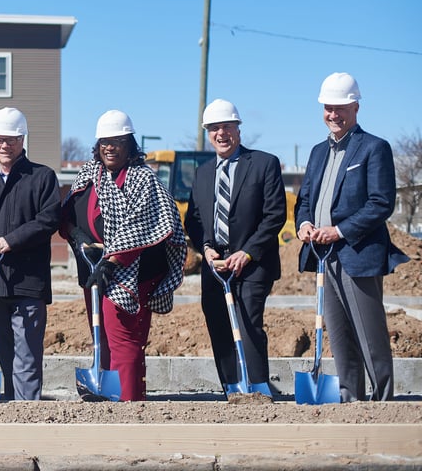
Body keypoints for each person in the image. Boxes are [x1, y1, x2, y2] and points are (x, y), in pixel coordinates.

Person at [295, 72, 408, 402]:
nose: (334, 114)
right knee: (340, 334)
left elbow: (381, 203)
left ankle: (383, 401)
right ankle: (350, 399)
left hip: (358, 254)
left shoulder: (374, 148)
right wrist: (304, 224)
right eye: (329, 108)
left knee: (369, 335)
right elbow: (305, 200)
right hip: (323, 256)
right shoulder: (317, 152)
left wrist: (339, 230)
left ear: (355, 107)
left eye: (341, 108)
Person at [60, 110, 186, 401]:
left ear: (130, 144)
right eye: (104, 141)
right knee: (100, 335)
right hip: (93, 272)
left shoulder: (143, 179)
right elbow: (67, 212)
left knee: (123, 338)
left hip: (130, 273)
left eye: (117, 141)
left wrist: (112, 261)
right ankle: (105, 392)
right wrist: (76, 233)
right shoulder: (90, 174)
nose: (109, 147)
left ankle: (128, 402)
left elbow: (145, 225)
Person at [184, 99, 286, 395]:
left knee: (248, 322)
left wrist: (248, 252)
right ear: (208, 133)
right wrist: (205, 246)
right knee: (218, 323)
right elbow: (195, 218)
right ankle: (232, 388)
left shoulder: (264, 164)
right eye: (214, 128)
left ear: (238, 129)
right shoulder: (203, 173)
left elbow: (274, 215)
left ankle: (258, 388)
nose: (221, 133)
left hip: (253, 263)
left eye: (227, 126)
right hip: (215, 266)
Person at [0, 107, 60, 401]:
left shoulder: (42, 177)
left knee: (27, 355)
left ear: (22, 140)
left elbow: (48, 220)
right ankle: (11, 408)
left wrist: (10, 241)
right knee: (5, 352)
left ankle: (27, 412)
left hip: (29, 282)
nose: (4, 146)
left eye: (11, 140)